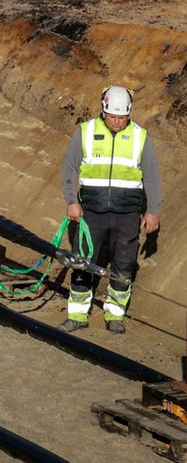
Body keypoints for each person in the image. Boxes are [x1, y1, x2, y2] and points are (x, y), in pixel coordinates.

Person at [61, 84, 160, 335]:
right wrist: (71, 201)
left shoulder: (140, 136)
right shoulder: (85, 132)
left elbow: (151, 176)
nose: (117, 121)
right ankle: (77, 315)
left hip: (127, 214)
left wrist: (152, 210)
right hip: (91, 212)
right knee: (83, 262)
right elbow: (70, 168)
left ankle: (115, 316)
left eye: (122, 117)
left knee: (123, 265)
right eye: (112, 116)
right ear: (103, 111)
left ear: (129, 113)